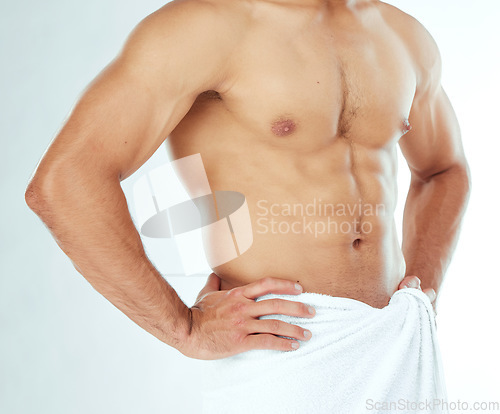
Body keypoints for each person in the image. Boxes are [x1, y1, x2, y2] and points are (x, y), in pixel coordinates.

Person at [25, 0, 470, 412]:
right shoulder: (205, 26)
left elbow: (444, 170)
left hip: (399, 340)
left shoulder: (400, 34)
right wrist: (184, 328)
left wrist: (422, 295)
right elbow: (65, 180)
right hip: (279, 346)